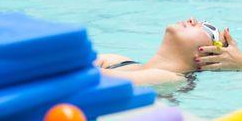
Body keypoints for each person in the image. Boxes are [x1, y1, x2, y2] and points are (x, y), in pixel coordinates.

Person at [96, 18, 226, 85]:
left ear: (209, 57)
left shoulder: (170, 78)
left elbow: (91, 76)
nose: (192, 20)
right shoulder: (116, 60)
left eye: (209, 28)